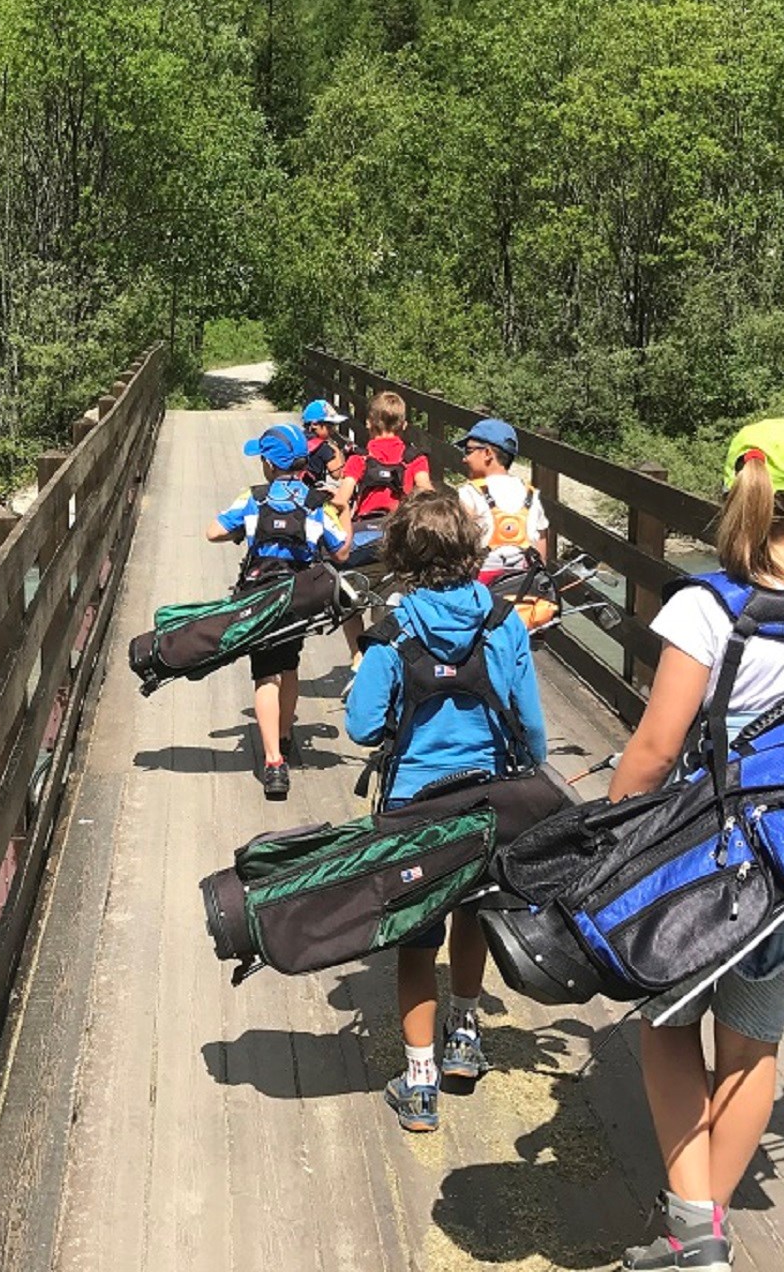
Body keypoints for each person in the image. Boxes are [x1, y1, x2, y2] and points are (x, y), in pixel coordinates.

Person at [605, 418, 784, 1272]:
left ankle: (692, 1228)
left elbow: (656, 748)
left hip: (709, 854)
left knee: (667, 1024)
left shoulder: (703, 606)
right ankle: (703, 1235)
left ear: (735, 494)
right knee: (752, 1043)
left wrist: (613, 844)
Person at [344, 489, 546, 1134]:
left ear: (401, 555)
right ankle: (463, 1033)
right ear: (471, 550)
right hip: (488, 800)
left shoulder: (393, 629)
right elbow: (531, 727)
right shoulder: (504, 623)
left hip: (415, 804)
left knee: (416, 940)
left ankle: (420, 1080)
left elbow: (362, 726)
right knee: (472, 914)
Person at [206, 423, 351, 799]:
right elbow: (341, 550)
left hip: (260, 598)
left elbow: (213, 531)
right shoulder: (316, 502)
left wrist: (242, 531)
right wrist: (345, 509)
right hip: (299, 598)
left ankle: (273, 763)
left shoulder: (253, 498)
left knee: (265, 675)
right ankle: (285, 735)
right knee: (289, 665)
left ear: (270, 464)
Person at [333, 390, 433, 661]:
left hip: (365, 539)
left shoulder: (360, 458)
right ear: (404, 425)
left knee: (346, 595)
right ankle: (390, 652)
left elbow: (342, 499)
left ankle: (358, 656)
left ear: (369, 423)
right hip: (400, 538)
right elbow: (425, 491)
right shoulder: (414, 457)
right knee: (396, 598)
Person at [454, 418, 548, 584]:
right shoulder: (531, 494)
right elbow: (541, 546)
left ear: (487, 454)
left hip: (482, 586)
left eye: (468, 451)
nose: (465, 459)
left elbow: (459, 545)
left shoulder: (469, 493)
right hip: (524, 584)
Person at [299, 398, 351, 504]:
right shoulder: (324, 448)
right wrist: (336, 449)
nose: (333, 431)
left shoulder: (299, 439)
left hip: (296, 490)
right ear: (314, 425)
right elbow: (337, 474)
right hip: (312, 494)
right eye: (329, 427)